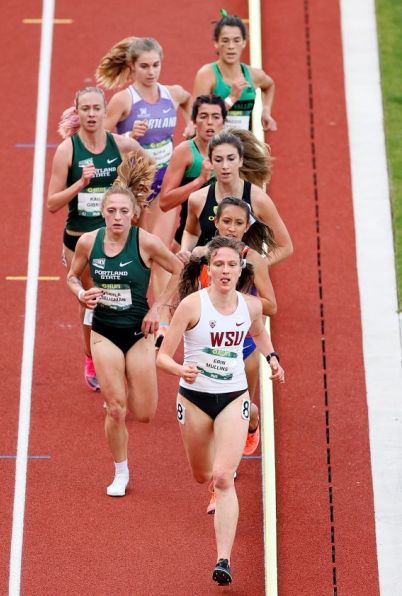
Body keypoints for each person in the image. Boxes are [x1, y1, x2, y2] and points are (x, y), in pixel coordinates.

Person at [156, 236, 285, 586]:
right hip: (194, 399)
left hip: (233, 397)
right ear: (208, 270)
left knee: (223, 477)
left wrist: (272, 358)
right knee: (202, 475)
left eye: (231, 265)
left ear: (240, 270)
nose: (225, 271)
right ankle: (217, 462)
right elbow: (162, 357)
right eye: (219, 265)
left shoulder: (250, 306)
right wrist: (180, 369)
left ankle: (223, 560)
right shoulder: (191, 306)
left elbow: (258, 332)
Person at [67, 152, 183, 497]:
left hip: (138, 332)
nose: (117, 217)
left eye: (123, 211)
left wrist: (158, 308)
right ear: (103, 212)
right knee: (116, 409)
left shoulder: (145, 242)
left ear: (134, 214)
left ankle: (126, 380)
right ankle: (121, 470)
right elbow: (72, 276)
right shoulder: (89, 242)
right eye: (112, 211)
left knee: (144, 412)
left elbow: (179, 270)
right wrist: (81, 293)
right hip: (104, 331)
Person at [47, 87, 142, 391]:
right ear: (77, 111)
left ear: (104, 111)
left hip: (117, 237)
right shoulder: (68, 150)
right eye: (85, 109)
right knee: (92, 300)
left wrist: (135, 201)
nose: (91, 114)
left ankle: (120, 351)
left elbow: (148, 168)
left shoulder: (121, 144)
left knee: (122, 296)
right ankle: (91, 356)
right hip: (81, 240)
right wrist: (81, 183)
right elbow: (52, 203)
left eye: (96, 108)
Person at [178, 197, 279, 454]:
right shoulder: (202, 255)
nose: (231, 228)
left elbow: (271, 306)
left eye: (238, 223)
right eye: (226, 221)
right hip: (208, 342)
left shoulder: (254, 260)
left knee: (237, 408)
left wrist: (237, 301)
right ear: (216, 222)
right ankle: (221, 466)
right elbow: (184, 291)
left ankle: (251, 418)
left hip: (243, 344)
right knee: (211, 410)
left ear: (247, 227)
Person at [95, 37, 193, 299]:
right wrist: (129, 138)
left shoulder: (172, 94)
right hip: (136, 185)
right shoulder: (124, 100)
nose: (151, 72)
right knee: (136, 250)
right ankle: (127, 302)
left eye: (155, 65)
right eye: (144, 66)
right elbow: (98, 139)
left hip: (165, 180)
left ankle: (161, 315)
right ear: (132, 67)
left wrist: (191, 124)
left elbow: (188, 101)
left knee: (160, 251)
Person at [181, 129, 293, 265]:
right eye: (218, 160)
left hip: (244, 278)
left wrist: (253, 268)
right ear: (210, 162)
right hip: (207, 275)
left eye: (231, 159)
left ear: (241, 160)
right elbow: (191, 232)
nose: (225, 166)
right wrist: (185, 251)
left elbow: (285, 246)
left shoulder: (258, 199)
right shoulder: (197, 199)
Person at [158, 95, 227, 249]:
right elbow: (164, 203)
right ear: (194, 122)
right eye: (203, 116)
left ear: (223, 122)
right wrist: (199, 181)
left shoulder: (233, 152)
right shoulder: (184, 152)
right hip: (188, 242)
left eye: (216, 117)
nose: (210, 122)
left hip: (224, 242)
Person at [192, 12, 277, 132]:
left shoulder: (254, 75)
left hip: (244, 143)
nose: (231, 46)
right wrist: (231, 99)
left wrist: (266, 111)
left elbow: (269, 86)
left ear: (244, 42)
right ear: (216, 43)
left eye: (236, 40)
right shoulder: (207, 75)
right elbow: (197, 117)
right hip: (216, 143)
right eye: (225, 41)